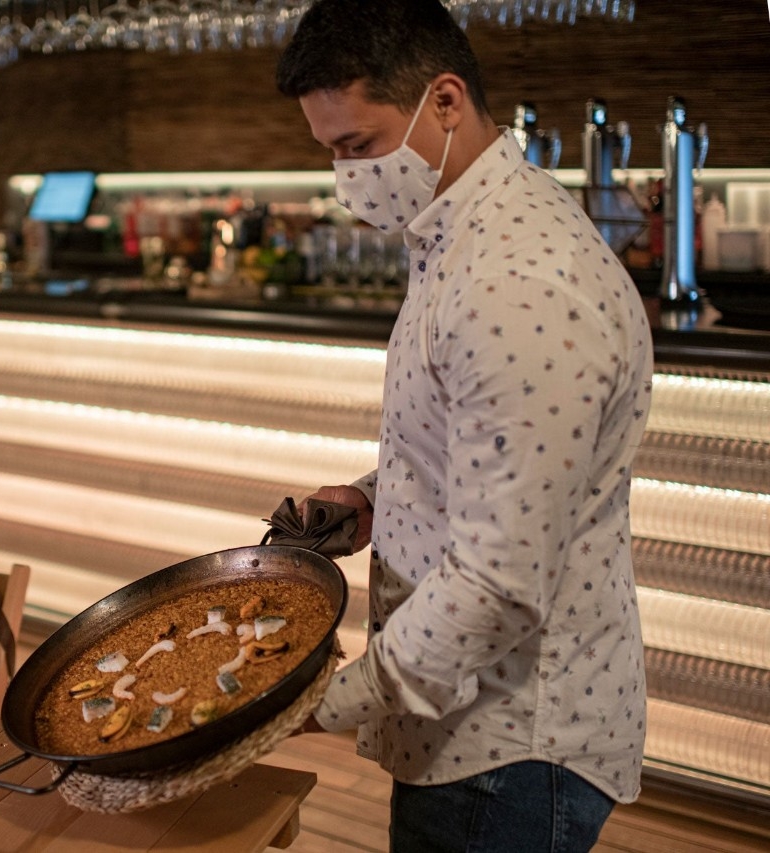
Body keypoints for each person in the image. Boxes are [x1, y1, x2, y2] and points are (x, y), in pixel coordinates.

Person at [276, 2, 654, 850]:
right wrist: (377, 499)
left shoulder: (517, 280)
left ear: (444, 101)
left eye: (358, 146)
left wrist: (319, 702)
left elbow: (499, 582)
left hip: (509, 746)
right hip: (466, 725)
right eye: (332, 152)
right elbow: (483, 458)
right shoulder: (465, 230)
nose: (346, 177)